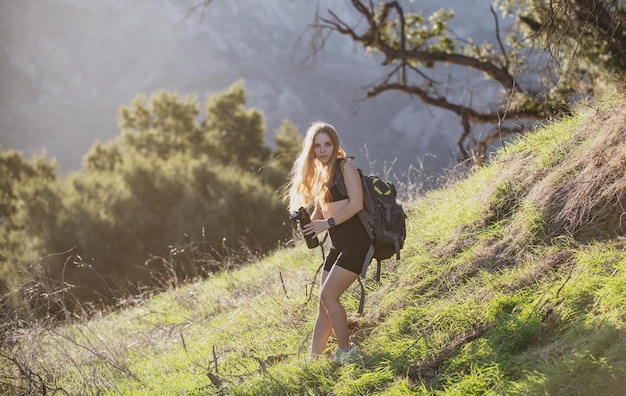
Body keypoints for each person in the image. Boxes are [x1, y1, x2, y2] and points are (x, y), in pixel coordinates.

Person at [285, 121, 370, 364]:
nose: (323, 150)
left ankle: (347, 351)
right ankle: (313, 361)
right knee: (324, 301)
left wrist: (327, 224)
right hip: (338, 245)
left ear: (335, 145)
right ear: (311, 149)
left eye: (327, 144)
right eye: (318, 145)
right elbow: (321, 213)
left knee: (329, 295)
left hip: (357, 242)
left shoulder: (346, 167)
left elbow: (356, 204)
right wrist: (310, 225)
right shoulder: (322, 174)